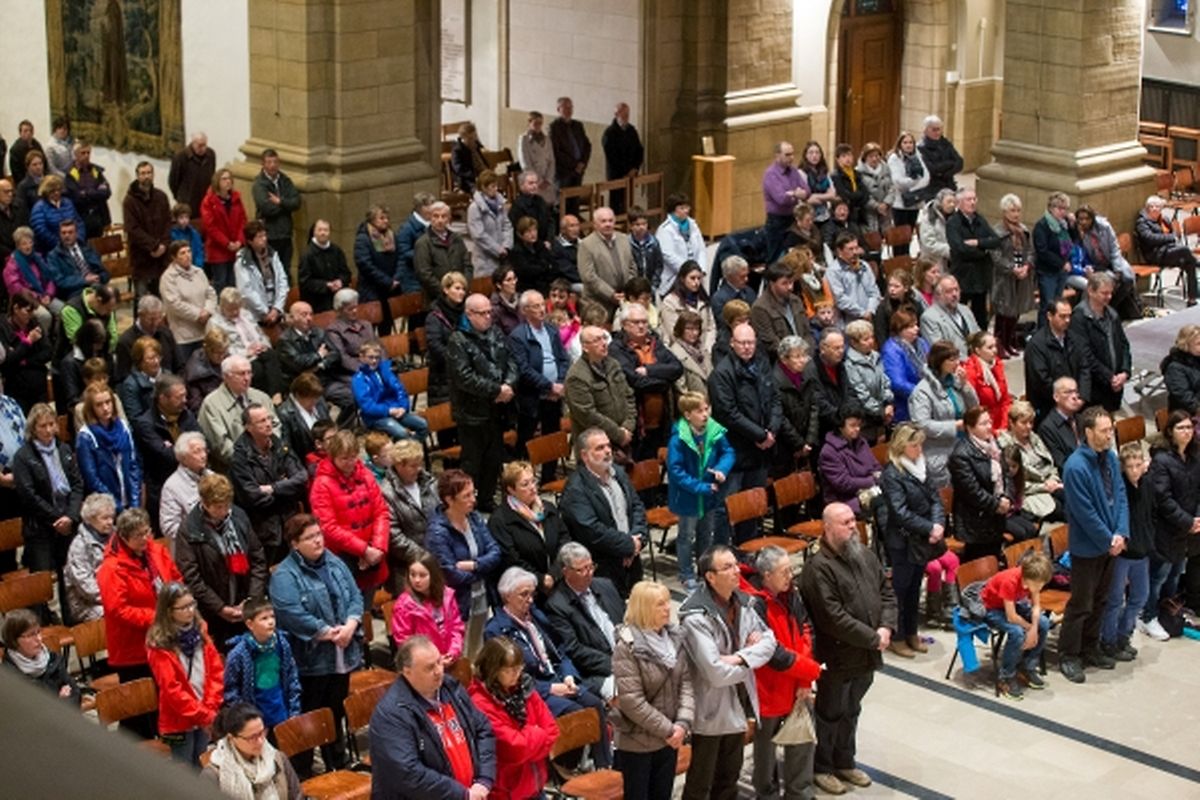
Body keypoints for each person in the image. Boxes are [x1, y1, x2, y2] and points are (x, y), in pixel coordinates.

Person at [799, 503, 896, 795]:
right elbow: (833, 618)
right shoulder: (818, 568)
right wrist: (873, 637)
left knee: (852, 710)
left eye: (853, 520)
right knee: (830, 713)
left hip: (866, 653)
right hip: (837, 656)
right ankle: (822, 768)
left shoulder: (864, 554)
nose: (853, 526)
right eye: (845, 522)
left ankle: (845, 762)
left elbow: (886, 593)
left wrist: (886, 627)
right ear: (827, 527)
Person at [485, 566, 612, 768]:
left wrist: (568, 675)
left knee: (594, 703)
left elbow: (560, 650)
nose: (530, 600)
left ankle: (604, 765)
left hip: (559, 679)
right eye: (524, 595)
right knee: (575, 712)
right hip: (533, 690)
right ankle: (565, 769)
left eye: (532, 594)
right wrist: (550, 688)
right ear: (507, 596)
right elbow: (511, 677)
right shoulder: (496, 630)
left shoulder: (536, 616)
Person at [678, 545, 776, 800]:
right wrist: (751, 659)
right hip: (710, 710)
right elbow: (715, 673)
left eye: (736, 565)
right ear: (710, 576)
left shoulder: (744, 602)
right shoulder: (695, 616)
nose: (737, 571)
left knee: (729, 779)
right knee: (701, 784)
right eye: (728, 567)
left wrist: (739, 658)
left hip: (738, 702)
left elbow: (770, 642)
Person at [269, 513, 363, 776]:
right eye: (309, 537)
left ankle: (338, 763)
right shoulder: (284, 575)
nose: (317, 541)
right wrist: (327, 632)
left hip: (342, 651)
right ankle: (304, 773)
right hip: (310, 661)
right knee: (310, 717)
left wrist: (351, 624)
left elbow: (355, 595)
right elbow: (290, 613)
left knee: (336, 711)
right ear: (294, 544)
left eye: (318, 534)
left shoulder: (334, 562)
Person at [369, 635, 496, 800]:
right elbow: (408, 773)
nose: (438, 671)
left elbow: (483, 728)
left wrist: (484, 780)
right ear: (407, 672)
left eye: (439, 662)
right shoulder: (391, 715)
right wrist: (462, 794)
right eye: (429, 668)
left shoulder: (451, 688)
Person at [97, 508, 184, 738]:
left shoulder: (156, 551)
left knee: (163, 701)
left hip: (163, 640)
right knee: (138, 714)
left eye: (147, 532)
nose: (146, 538)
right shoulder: (112, 568)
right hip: (133, 649)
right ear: (124, 538)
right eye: (139, 535)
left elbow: (175, 578)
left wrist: (179, 602)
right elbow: (118, 610)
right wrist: (157, 618)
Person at [1059, 407, 1128, 683]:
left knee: (1101, 599)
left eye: (1111, 429)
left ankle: (1090, 647)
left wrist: (1121, 532)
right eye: (1104, 431)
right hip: (1088, 547)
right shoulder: (1075, 467)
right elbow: (1084, 511)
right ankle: (1069, 654)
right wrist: (1107, 538)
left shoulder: (1110, 457)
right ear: (1088, 432)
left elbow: (1120, 495)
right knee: (1081, 604)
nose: (1110, 435)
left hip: (1112, 543)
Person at [175, 472, 269, 650]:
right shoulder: (189, 530)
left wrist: (251, 599)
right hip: (214, 614)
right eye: (218, 507)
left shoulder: (238, 516)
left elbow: (257, 558)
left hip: (246, 603)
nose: (225, 511)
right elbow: (192, 578)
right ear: (204, 504)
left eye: (227, 505)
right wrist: (220, 608)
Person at [708, 323, 782, 542]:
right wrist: (760, 435)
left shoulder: (762, 363)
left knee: (752, 504)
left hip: (760, 450)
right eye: (742, 343)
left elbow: (775, 399)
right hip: (734, 450)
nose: (747, 347)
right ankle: (722, 550)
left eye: (751, 342)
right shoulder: (721, 374)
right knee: (727, 506)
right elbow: (728, 414)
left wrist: (772, 430)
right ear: (732, 343)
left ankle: (747, 548)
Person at [447, 293, 520, 510]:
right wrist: (496, 390)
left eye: (490, 312)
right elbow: (464, 377)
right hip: (471, 412)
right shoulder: (458, 340)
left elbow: (512, 361)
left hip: (496, 409)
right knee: (473, 461)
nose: (488, 316)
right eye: (483, 313)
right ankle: (468, 502)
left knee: (493, 458)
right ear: (469, 314)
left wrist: (508, 385)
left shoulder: (495, 332)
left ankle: (487, 499)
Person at [880, 424, 947, 655]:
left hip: (922, 539)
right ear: (901, 446)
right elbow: (900, 512)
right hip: (903, 540)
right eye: (914, 445)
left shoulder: (921, 467)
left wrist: (938, 524)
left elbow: (936, 499)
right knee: (901, 590)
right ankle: (897, 636)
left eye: (921, 445)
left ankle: (911, 631)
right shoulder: (892, 474)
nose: (920, 450)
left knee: (915, 587)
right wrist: (930, 527)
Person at [468, 636, 560, 800]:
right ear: (493, 669)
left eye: (519, 668)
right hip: (507, 793)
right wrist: (537, 733)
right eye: (509, 670)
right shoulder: (480, 702)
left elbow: (553, 731)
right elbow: (515, 750)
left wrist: (527, 740)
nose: (516, 675)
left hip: (535, 785)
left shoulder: (524, 687)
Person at [12, 401, 82, 612]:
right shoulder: (23, 457)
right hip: (40, 528)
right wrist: (56, 518)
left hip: (67, 523)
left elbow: (77, 484)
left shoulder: (64, 449)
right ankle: (41, 620)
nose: (49, 430)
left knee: (69, 578)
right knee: (40, 583)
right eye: (43, 426)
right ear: (33, 429)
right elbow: (29, 496)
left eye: (52, 424)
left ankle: (71, 618)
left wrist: (70, 516)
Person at [560, 428, 648, 598]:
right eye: (600, 448)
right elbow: (591, 530)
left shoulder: (619, 473)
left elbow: (637, 507)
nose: (607, 451)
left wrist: (638, 540)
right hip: (602, 567)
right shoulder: (576, 489)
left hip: (632, 560)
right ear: (585, 455)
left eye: (608, 446)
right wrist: (628, 545)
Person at [146, 582, 225, 766]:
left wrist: (210, 708)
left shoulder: (201, 631)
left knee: (201, 762)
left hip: (205, 711)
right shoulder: (159, 644)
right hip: (176, 723)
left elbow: (216, 672)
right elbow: (172, 689)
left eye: (191, 604)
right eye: (183, 608)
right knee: (183, 768)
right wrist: (204, 714)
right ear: (168, 611)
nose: (190, 611)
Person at [426, 469, 501, 658]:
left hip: (482, 596)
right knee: (461, 654)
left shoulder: (474, 518)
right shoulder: (438, 532)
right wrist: (483, 570)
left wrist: (475, 565)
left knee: (479, 649)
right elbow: (451, 574)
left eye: (473, 493)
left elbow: (495, 552)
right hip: (458, 603)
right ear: (449, 500)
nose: (473, 500)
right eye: (466, 496)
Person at [310, 429, 391, 599]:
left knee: (368, 601)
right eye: (344, 458)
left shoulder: (366, 475)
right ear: (333, 457)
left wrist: (377, 547)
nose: (349, 463)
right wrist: (363, 550)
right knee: (351, 605)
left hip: (372, 551)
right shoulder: (322, 484)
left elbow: (381, 512)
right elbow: (328, 527)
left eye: (353, 457)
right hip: (344, 557)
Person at [1142, 409, 1200, 642]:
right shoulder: (1162, 460)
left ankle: (1166, 612)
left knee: (1175, 574)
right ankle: (1147, 615)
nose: (1186, 432)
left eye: (1189, 427)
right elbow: (1163, 499)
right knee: (1159, 575)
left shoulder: (1195, 457)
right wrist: (1188, 521)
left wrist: (1197, 519)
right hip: (1166, 529)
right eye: (1181, 428)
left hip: (1187, 529)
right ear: (1170, 432)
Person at [951, 405, 1035, 563]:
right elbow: (972, 491)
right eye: (983, 424)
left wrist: (1007, 498)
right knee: (980, 564)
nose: (989, 426)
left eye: (989, 422)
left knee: (996, 560)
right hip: (975, 521)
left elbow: (1007, 475)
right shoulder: (960, 455)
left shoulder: (994, 445)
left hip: (996, 517)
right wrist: (997, 504)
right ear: (970, 427)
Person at [230, 403, 308, 565]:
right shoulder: (240, 458)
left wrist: (273, 488)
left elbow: (301, 478)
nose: (268, 424)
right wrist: (286, 488)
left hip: (290, 523)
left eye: (269, 419)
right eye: (261, 421)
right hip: (264, 530)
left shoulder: (279, 445)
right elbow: (252, 497)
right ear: (248, 427)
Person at [1101, 442, 1155, 660]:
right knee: (1115, 600)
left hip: (1142, 552)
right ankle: (1108, 640)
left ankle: (1124, 634)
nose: (1134, 470)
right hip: (1123, 555)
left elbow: (1151, 514)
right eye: (1130, 466)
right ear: (1123, 467)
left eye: (1138, 465)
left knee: (1140, 596)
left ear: (1144, 464)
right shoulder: (1119, 489)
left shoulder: (1147, 485)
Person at [508, 289, 569, 479]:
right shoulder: (518, 336)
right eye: (536, 306)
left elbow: (563, 359)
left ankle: (548, 477)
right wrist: (549, 386)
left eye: (543, 304)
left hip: (555, 394)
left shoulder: (551, 330)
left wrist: (560, 383)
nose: (542, 309)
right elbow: (524, 370)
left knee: (552, 437)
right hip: (532, 397)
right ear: (525, 311)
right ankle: (519, 478)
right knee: (526, 439)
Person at [609, 301, 683, 459]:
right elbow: (635, 382)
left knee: (660, 464)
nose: (641, 326)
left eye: (644, 322)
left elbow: (677, 368)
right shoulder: (616, 348)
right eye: (636, 322)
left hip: (662, 419)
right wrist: (665, 382)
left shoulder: (655, 343)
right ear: (624, 324)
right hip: (635, 423)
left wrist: (649, 370)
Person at [489, 460, 569, 598]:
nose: (532, 487)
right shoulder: (501, 520)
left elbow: (564, 539)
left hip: (557, 580)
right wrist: (540, 579)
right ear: (511, 490)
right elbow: (511, 559)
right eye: (525, 484)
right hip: (524, 591)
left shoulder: (548, 508)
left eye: (533, 481)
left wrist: (554, 574)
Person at [980, 551, 1054, 699]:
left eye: (1042, 585)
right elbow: (1012, 617)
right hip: (992, 609)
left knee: (1044, 623)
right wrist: (1029, 628)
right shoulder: (1010, 581)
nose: (1039, 588)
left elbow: (1036, 607)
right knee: (1017, 632)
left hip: (1012, 604)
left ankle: (1027, 666)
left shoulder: (1034, 579)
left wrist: (1034, 628)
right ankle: (1006, 676)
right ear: (1027, 579)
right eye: (1037, 585)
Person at [131, 374, 200, 530]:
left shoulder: (186, 415)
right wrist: (187, 449)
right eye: (179, 397)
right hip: (161, 487)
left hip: (191, 483)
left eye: (185, 395)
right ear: (162, 398)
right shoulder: (145, 424)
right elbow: (166, 456)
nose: (185, 400)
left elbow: (201, 442)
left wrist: (174, 447)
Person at [223, 595, 302, 729]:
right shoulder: (238, 653)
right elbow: (231, 689)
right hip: (255, 716)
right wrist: (246, 718)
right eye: (264, 618)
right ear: (250, 624)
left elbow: (292, 677)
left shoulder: (282, 644)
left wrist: (294, 711)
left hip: (281, 711)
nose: (271, 622)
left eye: (272, 617)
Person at [908, 340, 978, 487]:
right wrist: (954, 426)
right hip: (939, 454)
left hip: (963, 446)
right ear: (939, 362)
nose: (957, 363)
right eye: (952, 360)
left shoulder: (956, 381)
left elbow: (974, 408)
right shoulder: (922, 391)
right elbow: (922, 425)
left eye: (957, 358)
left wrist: (965, 385)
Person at [203, 703, 303, 800]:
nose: (260, 741)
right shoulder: (214, 775)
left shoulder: (278, 758)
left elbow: (297, 796)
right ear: (231, 738)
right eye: (252, 737)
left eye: (261, 733)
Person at [198, 355, 279, 472]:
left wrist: (272, 452)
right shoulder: (211, 405)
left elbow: (276, 426)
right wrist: (253, 463)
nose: (247, 378)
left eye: (249, 373)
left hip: (271, 462)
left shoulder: (261, 397)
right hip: (236, 470)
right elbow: (221, 445)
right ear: (226, 376)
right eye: (241, 374)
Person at [564, 325, 637, 455]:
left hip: (625, 437)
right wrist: (618, 434)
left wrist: (628, 426)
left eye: (604, 338)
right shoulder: (576, 376)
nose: (604, 343)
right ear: (585, 347)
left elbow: (629, 396)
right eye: (597, 340)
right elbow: (587, 415)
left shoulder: (613, 364)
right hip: (595, 447)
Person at [380, 439, 437, 593]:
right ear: (399, 466)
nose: (419, 469)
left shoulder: (429, 483)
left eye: (420, 464)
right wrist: (423, 557)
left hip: (436, 560)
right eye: (413, 466)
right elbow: (393, 536)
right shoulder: (386, 493)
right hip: (406, 569)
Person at [1070, 271, 1131, 413]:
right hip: (1094, 388)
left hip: (1114, 386)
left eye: (1110, 293)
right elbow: (1085, 354)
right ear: (1091, 291)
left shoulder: (1112, 315)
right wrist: (1109, 377)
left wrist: (1125, 372)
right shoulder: (1079, 317)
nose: (1109, 297)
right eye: (1104, 293)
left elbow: (1124, 345)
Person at [76, 382, 141, 513]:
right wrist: (117, 507)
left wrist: (134, 503)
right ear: (91, 408)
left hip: (128, 500)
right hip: (105, 507)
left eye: (108, 402)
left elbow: (133, 465)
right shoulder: (86, 437)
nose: (105, 408)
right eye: (99, 405)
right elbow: (92, 480)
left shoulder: (123, 427)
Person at [998, 401, 1066, 524]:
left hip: (1051, 484)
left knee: (1076, 500)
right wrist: (1044, 487)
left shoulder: (1034, 437)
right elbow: (1015, 482)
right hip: (1029, 493)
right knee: (1063, 510)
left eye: (1031, 422)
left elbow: (1050, 463)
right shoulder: (1005, 445)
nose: (1029, 426)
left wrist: (1053, 479)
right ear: (1012, 423)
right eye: (1024, 423)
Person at [1024, 298, 1091, 422]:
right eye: (1062, 316)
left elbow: (1084, 369)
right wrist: (1066, 399)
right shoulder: (1036, 345)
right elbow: (1041, 381)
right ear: (1050, 316)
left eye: (1069, 316)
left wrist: (1082, 396)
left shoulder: (1075, 339)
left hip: (1076, 406)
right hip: (1049, 410)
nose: (1067, 320)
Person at [1, 607, 84, 707]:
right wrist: (60, 702)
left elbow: (75, 693)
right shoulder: (9, 676)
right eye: (31, 635)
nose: (39, 639)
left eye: (38, 632)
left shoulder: (52, 659)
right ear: (14, 640)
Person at [390, 552, 464, 661]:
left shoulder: (447, 595)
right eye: (412, 575)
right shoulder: (404, 605)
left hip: (448, 657)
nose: (416, 580)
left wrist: (453, 652)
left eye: (422, 575)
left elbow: (456, 628)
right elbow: (404, 642)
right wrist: (433, 660)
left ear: (433, 575)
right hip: (422, 662)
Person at [351, 340, 427, 441]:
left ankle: (409, 448)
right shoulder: (359, 379)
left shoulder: (385, 371)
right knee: (402, 433)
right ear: (362, 357)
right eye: (370, 357)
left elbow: (400, 390)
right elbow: (367, 406)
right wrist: (388, 411)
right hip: (376, 417)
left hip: (396, 409)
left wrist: (403, 407)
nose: (374, 361)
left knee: (423, 425)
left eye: (377, 358)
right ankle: (406, 448)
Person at [991, 193, 1037, 357]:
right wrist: (1012, 268)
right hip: (1005, 277)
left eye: (1018, 210)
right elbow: (996, 256)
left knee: (1016, 310)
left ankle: (1010, 341)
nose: (1016, 214)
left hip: (1022, 276)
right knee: (1004, 311)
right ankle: (999, 343)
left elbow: (1030, 251)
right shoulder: (997, 231)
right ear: (1004, 212)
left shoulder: (1023, 230)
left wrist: (1026, 266)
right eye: (1012, 211)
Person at [819, 405, 883, 517]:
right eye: (852, 425)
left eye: (859, 425)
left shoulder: (861, 442)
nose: (857, 429)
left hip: (869, 490)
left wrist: (878, 477)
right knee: (884, 505)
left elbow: (876, 466)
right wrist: (872, 480)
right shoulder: (829, 451)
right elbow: (844, 484)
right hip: (844, 500)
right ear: (840, 426)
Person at [1135, 194, 1199, 305]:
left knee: (1189, 263)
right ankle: (1198, 263)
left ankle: (1192, 299)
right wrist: (1170, 238)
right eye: (1151, 206)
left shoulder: (1164, 219)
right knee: (1184, 250)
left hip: (1168, 251)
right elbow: (1150, 239)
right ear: (1147, 208)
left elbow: (1174, 235)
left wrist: (1171, 239)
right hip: (1155, 255)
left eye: (1157, 207)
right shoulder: (1142, 223)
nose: (1155, 209)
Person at [123, 161, 173, 300]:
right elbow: (132, 228)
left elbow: (168, 222)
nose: (146, 176)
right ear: (137, 176)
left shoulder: (161, 197)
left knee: (163, 297)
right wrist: (153, 246)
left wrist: (163, 245)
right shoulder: (130, 201)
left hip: (162, 257)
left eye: (149, 173)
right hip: (141, 258)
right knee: (143, 301)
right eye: (143, 173)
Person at [160, 240, 217, 364]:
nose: (187, 255)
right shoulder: (168, 278)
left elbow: (210, 293)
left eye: (189, 251)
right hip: (184, 335)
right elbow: (174, 304)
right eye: (182, 253)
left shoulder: (199, 272)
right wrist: (198, 314)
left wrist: (208, 311)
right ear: (174, 257)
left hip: (205, 330)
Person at [62, 492, 116, 623]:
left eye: (111, 517)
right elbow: (86, 586)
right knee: (121, 615)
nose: (110, 522)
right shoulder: (79, 546)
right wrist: (114, 599)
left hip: (115, 593)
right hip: (87, 603)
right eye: (105, 518)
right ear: (90, 519)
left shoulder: (116, 535)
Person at [578, 206, 635, 318]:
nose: (608, 224)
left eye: (610, 220)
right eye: (603, 221)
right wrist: (611, 294)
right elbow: (588, 276)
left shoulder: (624, 239)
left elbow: (632, 266)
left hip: (624, 299)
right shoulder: (586, 244)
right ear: (595, 224)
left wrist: (627, 290)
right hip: (597, 303)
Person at [1032, 191, 1080, 323]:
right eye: (1059, 208)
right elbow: (1042, 251)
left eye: (1065, 209)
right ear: (1050, 208)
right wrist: (1061, 263)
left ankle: (1056, 329)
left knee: (1058, 304)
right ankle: (1043, 331)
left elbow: (1074, 241)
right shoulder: (1042, 226)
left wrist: (1073, 226)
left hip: (1061, 271)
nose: (1063, 212)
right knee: (1048, 305)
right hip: (1047, 271)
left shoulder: (1064, 224)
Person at [251, 149, 301, 276]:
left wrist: (280, 201)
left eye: (275, 162)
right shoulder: (259, 184)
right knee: (271, 271)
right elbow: (267, 208)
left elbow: (296, 202)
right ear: (263, 164)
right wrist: (286, 206)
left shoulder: (285, 180)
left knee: (285, 269)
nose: (272, 165)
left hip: (285, 233)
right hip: (269, 234)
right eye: (269, 162)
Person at [0, 290, 51, 412]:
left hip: (38, 383)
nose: (31, 315)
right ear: (16, 308)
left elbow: (48, 352)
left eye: (33, 311)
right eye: (28, 311)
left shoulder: (34, 323)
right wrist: (28, 342)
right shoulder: (3, 327)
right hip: (16, 386)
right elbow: (8, 360)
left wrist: (25, 361)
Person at [200, 168, 249, 293]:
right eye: (224, 179)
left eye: (229, 178)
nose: (228, 181)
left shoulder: (236, 198)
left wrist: (239, 241)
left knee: (233, 282)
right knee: (220, 282)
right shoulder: (209, 201)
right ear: (217, 181)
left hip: (235, 248)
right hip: (218, 249)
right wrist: (226, 243)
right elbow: (210, 227)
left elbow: (243, 221)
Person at [423, 272, 468, 412]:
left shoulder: (466, 313)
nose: (461, 292)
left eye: (463, 289)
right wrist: (457, 359)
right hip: (442, 375)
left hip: (464, 372)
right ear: (446, 290)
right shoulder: (434, 316)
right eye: (457, 288)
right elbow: (434, 345)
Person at [159, 432, 210, 551]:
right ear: (183, 458)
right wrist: (201, 534)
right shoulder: (171, 486)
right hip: (189, 550)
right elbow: (169, 527)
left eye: (204, 450)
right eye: (197, 452)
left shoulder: (212, 477)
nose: (203, 455)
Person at [843, 320, 894, 441]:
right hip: (866, 422)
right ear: (853, 342)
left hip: (884, 415)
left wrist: (888, 404)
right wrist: (881, 412)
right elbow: (861, 393)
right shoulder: (849, 364)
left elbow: (885, 381)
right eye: (865, 339)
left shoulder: (876, 356)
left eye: (872, 337)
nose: (871, 341)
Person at [751, 261, 812, 360]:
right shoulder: (760, 308)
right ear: (772, 284)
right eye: (784, 283)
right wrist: (794, 356)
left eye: (791, 282)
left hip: (804, 355)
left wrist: (807, 353)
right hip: (781, 360)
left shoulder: (795, 300)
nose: (790, 287)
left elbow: (807, 332)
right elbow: (770, 343)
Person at [413, 201, 473, 302]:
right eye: (436, 216)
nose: (440, 220)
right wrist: (447, 292)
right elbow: (424, 274)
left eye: (443, 216)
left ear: (449, 218)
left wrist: (462, 288)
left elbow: (467, 265)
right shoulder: (423, 243)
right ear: (430, 218)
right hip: (437, 298)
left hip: (461, 296)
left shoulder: (457, 238)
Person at [233, 221, 289, 328]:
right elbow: (246, 291)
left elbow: (282, 281)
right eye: (259, 237)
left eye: (264, 235)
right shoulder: (242, 262)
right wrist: (265, 311)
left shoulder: (273, 255)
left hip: (276, 311)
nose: (264, 239)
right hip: (256, 316)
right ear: (250, 241)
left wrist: (277, 308)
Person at [4, 226, 60, 331]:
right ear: (18, 246)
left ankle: (56, 337)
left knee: (63, 310)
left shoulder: (38, 257)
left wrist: (48, 294)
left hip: (45, 296)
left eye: (30, 242)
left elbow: (50, 278)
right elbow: (18, 290)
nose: (28, 246)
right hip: (26, 302)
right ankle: (42, 339)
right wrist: (38, 297)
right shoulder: (11, 265)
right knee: (45, 316)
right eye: (24, 244)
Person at [881, 309, 929, 423]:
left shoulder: (921, 343)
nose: (917, 328)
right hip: (905, 407)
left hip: (926, 402)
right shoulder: (891, 350)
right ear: (900, 329)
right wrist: (923, 393)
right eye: (911, 326)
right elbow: (897, 383)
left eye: (916, 325)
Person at [45, 217, 108, 303]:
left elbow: (104, 272)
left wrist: (99, 277)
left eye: (70, 232)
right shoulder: (54, 256)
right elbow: (60, 281)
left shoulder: (87, 248)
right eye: (63, 233)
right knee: (95, 299)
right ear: (59, 234)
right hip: (75, 292)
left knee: (111, 294)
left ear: (76, 233)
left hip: (96, 286)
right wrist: (84, 280)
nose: (67, 236)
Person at [297, 218, 353, 313]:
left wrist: (340, 281)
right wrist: (326, 285)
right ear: (314, 232)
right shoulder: (307, 254)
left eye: (326, 230)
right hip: (317, 303)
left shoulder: (336, 250)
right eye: (320, 230)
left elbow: (346, 273)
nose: (323, 233)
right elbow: (304, 282)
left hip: (337, 300)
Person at [659, 260, 715, 351]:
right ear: (682, 279)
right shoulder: (670, 302)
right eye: (692, 278)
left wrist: (707, 348)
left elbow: (711, 327)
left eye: (699, 278)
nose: (696, 282)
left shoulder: (703, 300)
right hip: (680, 351)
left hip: (704, 350)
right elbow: (673, 333)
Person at [466, 171, 513, 279]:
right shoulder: (474, 208)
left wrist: (506, 245)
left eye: (496, 185)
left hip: (503, 257)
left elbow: (507, 225)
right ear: (483, 187)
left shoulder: (500, 204)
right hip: (485, 260)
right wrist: (498, 249)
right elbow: (478, 235)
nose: (496, 189)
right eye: (492, 186)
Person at [964, 330, 1012, 430]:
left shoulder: (997, 364)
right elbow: (973, 408)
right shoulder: (970, 371)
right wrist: (992, 430)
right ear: (978, 351)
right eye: (990, 347)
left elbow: (1005, 400)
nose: (995, 350)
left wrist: (1003, 426)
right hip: (983, 425)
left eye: (995, 346)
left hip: (1001, 422)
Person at [887, 130, 930, 242]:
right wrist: (915, 182)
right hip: (900, 203)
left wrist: (912, 188)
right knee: (900, 236)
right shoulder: (894, 158)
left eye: (911, 142)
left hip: (915, 202)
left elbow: (926, 177)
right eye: (905, 142)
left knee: (909, 234)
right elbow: (898, 181)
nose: (908, 145)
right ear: (900, 144)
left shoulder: (918, 156)